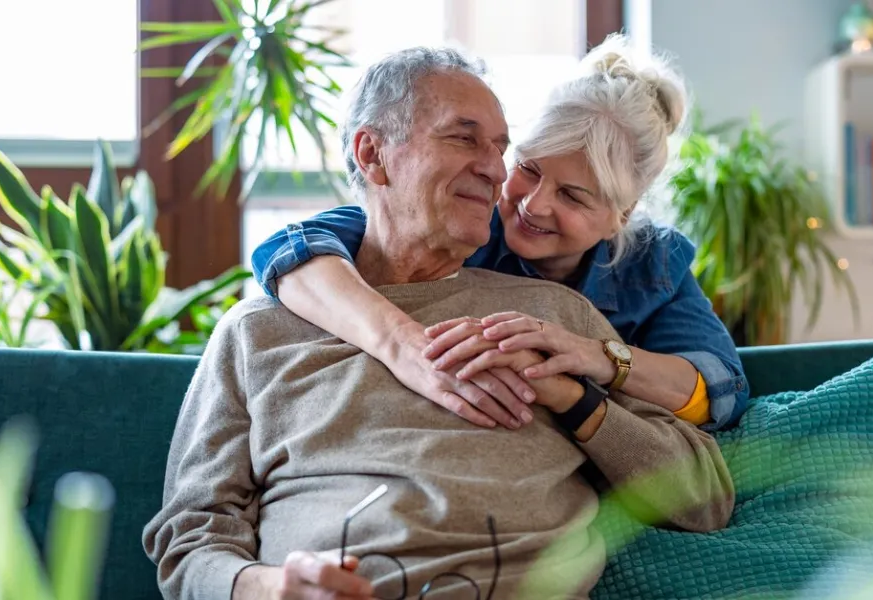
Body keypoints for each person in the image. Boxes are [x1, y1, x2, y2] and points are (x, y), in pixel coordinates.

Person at [144, 46, 733, 600]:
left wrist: (577, 395)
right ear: (371, 155)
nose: (501, 176)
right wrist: (270, 588)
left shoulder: (559, 321)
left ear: (617, 218)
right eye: (464, 138)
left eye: (500, 148)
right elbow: (190, 538)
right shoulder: (261, 329)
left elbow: (706, 485)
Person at [251, 34, 748, 436]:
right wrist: (403, 345)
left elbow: (721, 389)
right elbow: (290, 251)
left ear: (622, 213)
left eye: (573, 196)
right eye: (528, 170)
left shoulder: (652, 265)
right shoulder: (465, 221)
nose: (534, 204)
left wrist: (597, 355)